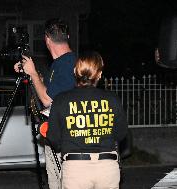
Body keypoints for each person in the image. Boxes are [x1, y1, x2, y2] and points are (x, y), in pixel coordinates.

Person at [46, 51, 128, 189]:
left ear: (74, 71)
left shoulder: (61, 100)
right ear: (99, 74)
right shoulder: (113, 99)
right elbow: (121, 134)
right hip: (107, 169)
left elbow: (53, 138)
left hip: (75, 169)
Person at [14, 18, 76, 189]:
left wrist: (33, 74)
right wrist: (32, 73)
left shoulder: (68, 63)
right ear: (67, 36)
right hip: (55, 134)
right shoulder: (59, 64)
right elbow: (50, 89)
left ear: (47, 39)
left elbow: (47, 99)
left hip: (66, 138)